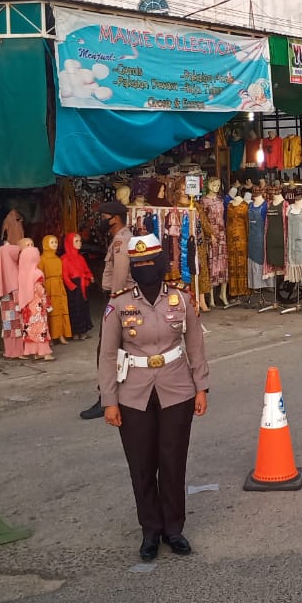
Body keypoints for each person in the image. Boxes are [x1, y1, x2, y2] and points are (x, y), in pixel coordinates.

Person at [98, 234, 209, 561]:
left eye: (151, 262)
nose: (146, 268)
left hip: (177, 389)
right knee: (142, 464)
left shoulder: (181, 298)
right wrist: (109, 400)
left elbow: (196, 345)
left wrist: (201, 386)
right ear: (133, 267)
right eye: (140, 264)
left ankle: (173, 529)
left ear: (162, 263)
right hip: (133, 393)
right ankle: (150, 531)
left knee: (173, 462)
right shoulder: (118, 304)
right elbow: (106, 355)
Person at [81, 201, 135, 420]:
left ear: (115, 218)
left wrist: (113, 308)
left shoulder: (122, 241)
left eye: (103, 216)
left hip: (118, 300)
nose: (101, 221)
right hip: (120, 301)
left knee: (107, 351)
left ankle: (106, 398)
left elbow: (120, 280)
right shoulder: (119, 239)